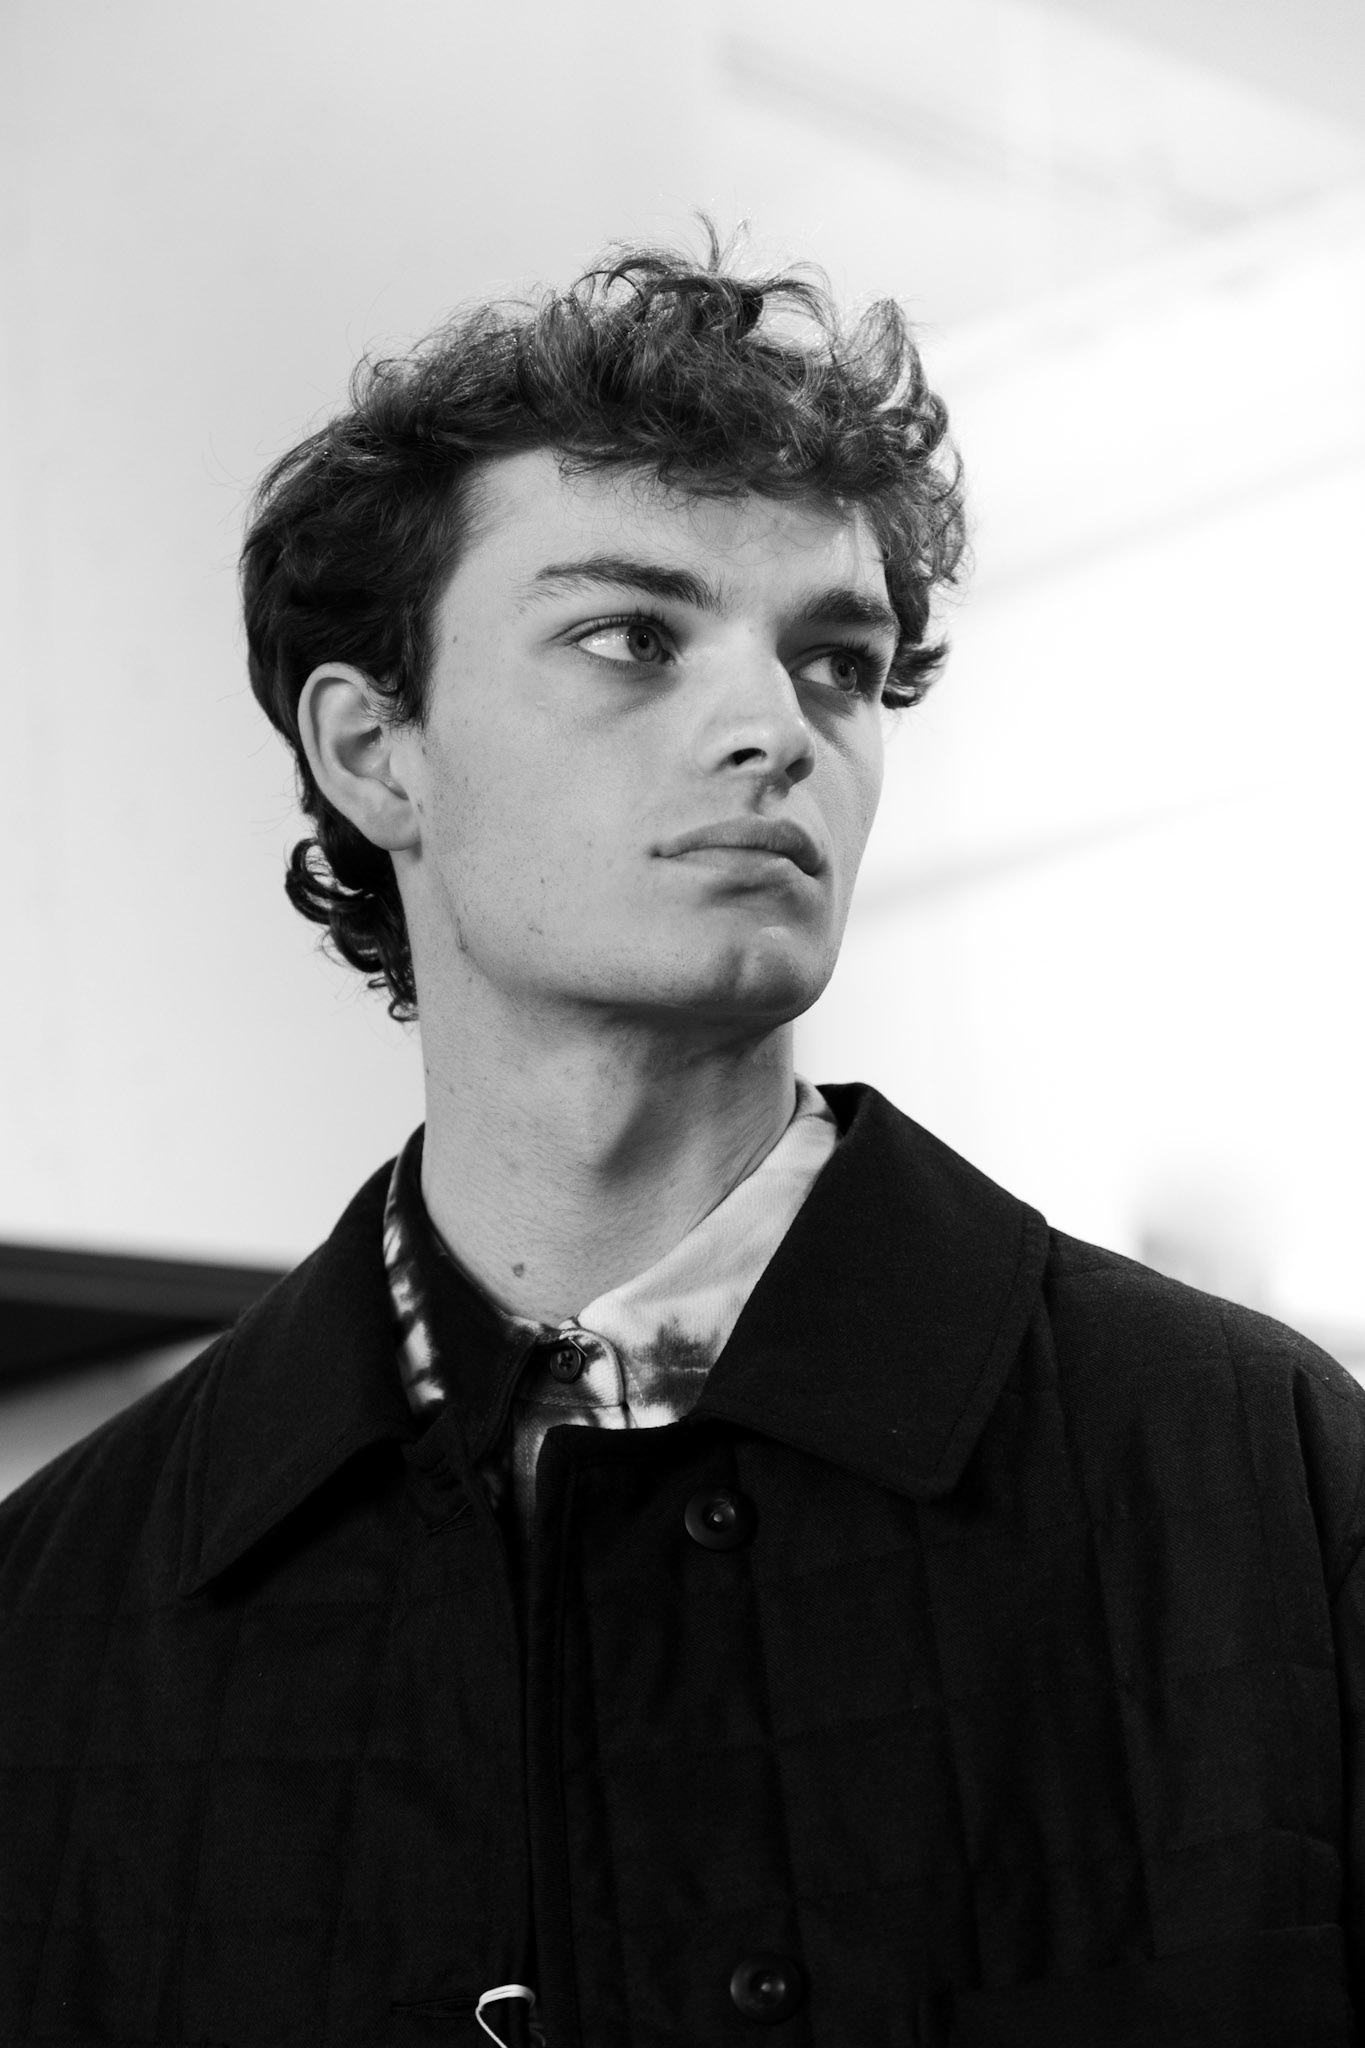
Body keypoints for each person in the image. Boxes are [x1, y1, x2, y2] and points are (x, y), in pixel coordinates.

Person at [1, 231, 1362, 2048]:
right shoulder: (53, 1614)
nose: (772, 731)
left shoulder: (1263, 1479)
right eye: (630, 638)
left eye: (836, 663)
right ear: (373, 750)